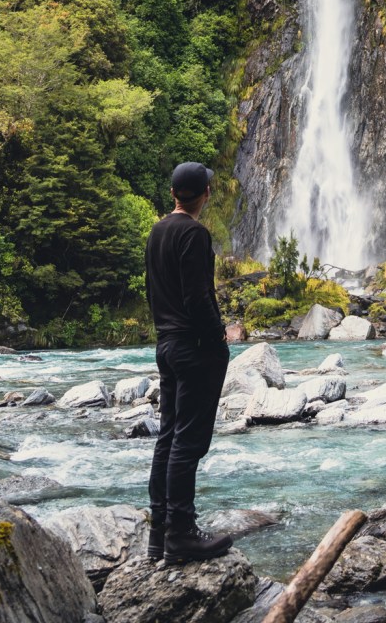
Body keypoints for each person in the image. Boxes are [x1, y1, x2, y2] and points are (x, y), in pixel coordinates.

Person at [145, 160, 232, 564]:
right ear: (206, 194)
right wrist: (217, 339)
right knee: (188, 442)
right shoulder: (195, 234)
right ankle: (182, 534)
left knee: (168, 437)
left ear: (173, 194)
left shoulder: (157, 231)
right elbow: (199, 296)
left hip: (166, 343)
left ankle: (158, 533)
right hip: (192, 347)